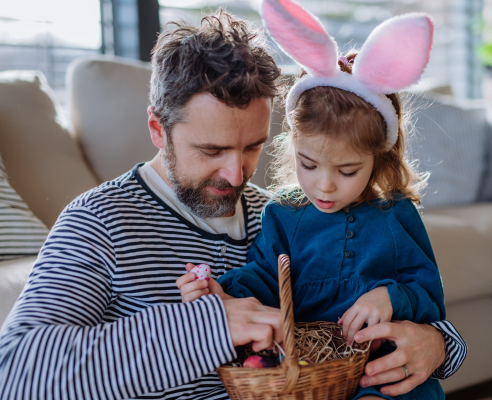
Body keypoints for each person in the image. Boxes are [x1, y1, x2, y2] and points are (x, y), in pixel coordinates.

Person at [0, 8, 464, 400]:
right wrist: (210, 328)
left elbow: (395, 295)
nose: (237, 175)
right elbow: (17, 373)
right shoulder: (100, 222)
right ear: (158, 130)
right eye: (212, 150)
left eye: (251, 148)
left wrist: (440, 346)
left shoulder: (287, 214)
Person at [177, 3, 464, 400]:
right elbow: (263, 278)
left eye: (347, 171)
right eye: (308, 164)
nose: (324, 187)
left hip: (382, 377)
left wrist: (391, 296)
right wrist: (220, 294)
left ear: (377, 158)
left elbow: (429, 295)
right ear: (292, 145)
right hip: (315, 377)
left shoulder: (395, 216)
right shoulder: (284, 214)